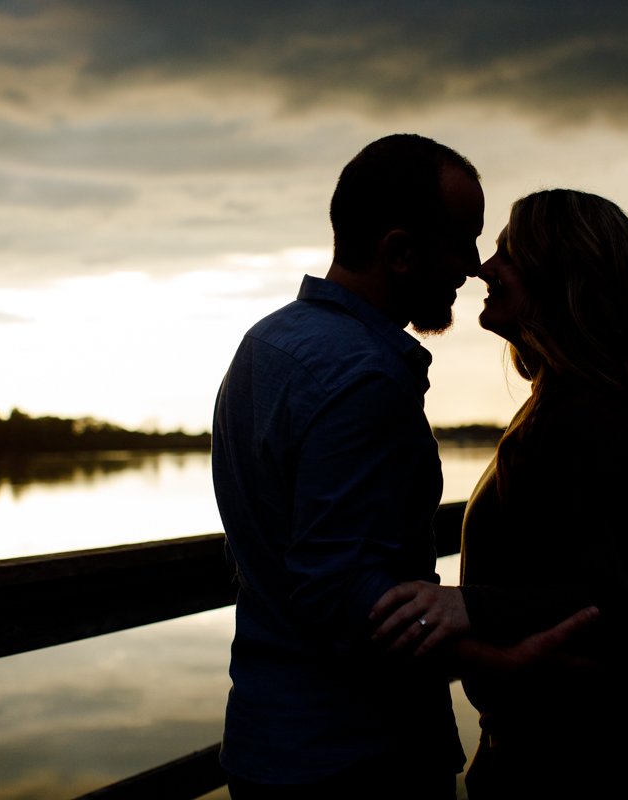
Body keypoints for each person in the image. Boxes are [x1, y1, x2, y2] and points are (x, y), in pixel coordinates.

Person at [373, 189, 628, 797]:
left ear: (565, 274)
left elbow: (624, 604)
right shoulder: (562, 403)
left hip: (587, 759)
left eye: (508, 253)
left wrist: (471, 606)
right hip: (551, 744)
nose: (483, 268)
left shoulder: (592, 414)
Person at [210, 133, 484, 799]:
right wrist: (499, 641)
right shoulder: (365, 376)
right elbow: (340, 590)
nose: (473, 267)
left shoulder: (266, 343)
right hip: (360, 761)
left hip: (267, 741)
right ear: (399, 252)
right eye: (461, 241)